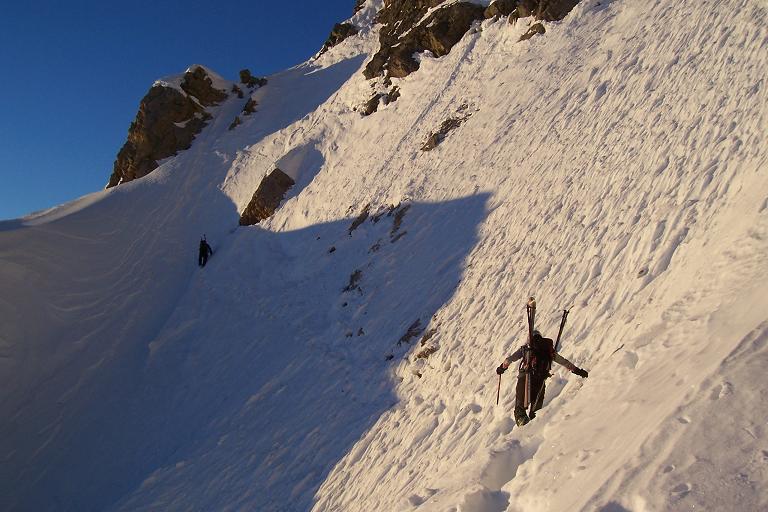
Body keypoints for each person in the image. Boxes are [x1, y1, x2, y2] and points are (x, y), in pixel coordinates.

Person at [496, 330, 588, 426]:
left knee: (520, 411)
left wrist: (501, 368)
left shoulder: (525, 349)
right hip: (540, 382)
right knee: (536, 414)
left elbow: (509, 360)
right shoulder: (548, 351)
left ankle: (523, 427)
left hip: (525, 379)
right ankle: (533, 427)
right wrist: (578, 371)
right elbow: (565, 362)